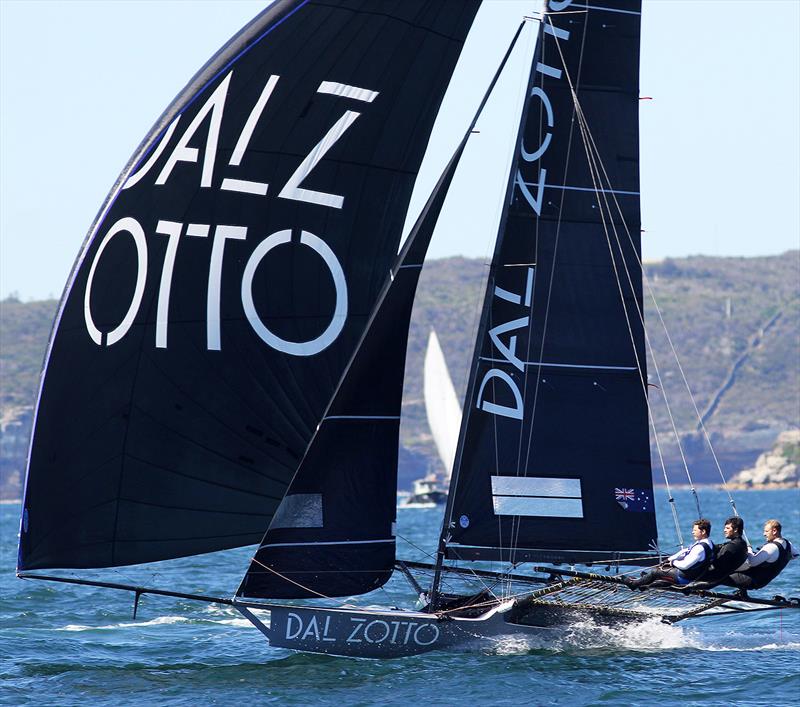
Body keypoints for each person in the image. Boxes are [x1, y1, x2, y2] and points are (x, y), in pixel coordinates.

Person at [712, 519, 798, 595]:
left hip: (751, 581)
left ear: (774, 531)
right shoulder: (787, 543)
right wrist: (778, 559)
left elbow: (751, 562)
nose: (764, 534)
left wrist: (748, 549)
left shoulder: (771, 547)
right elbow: (795, 555)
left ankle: (700, 587)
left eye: (766, 531)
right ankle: (742, 592)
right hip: (763, 581)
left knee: (718, 575)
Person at [624, 519, 714, 589]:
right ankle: (646, 582)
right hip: (692, 575)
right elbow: (684, 551)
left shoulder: (700, 548)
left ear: (703, 532)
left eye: (695, 530)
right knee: (661, 568)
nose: (692, 532)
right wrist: (669, 559)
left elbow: (685, 566)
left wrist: (673, 562)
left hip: (685, 578)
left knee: (655, 572)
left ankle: (634, 584)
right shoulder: (707, 543)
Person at [681, 516, 748, 590]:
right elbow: (720, 548)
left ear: (735, 529)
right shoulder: (741, 544)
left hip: (709, 579)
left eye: (727, 528)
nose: (724, 530)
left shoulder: (732, 546)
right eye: (725, 528)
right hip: (718, 577)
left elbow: (716, 562)